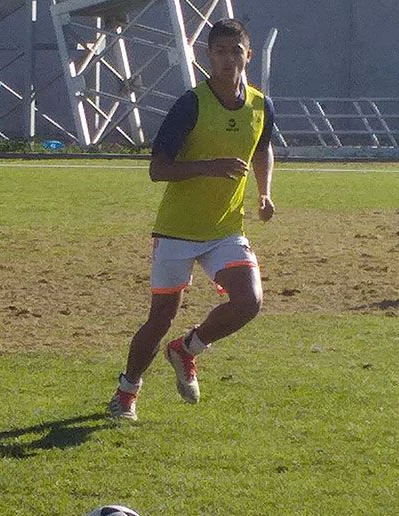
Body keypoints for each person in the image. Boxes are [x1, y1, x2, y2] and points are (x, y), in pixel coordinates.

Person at [107, 19, 276, 421]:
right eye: (219, 51)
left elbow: (262, 148)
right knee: (160, 319)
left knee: (249, 302)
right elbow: (158, 169)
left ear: (248, 56)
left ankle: (187, 349)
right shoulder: (191, 104)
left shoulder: (260, 104)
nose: (228, 59)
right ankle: (126, 392)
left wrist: (264, 191)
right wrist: (209, 167)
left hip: (225, 228)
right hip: (178, 229)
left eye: (236, 51)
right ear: (208, 57)